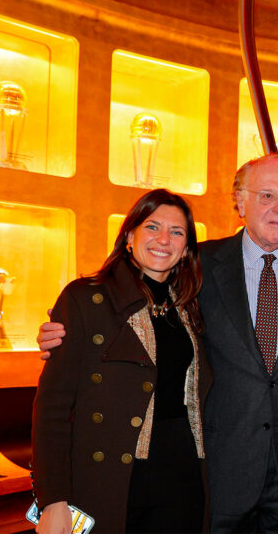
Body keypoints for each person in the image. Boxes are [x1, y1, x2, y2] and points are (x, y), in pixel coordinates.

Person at [38, 154, 278, 532]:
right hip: (219, 471)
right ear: (240, 202)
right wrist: (64, 330)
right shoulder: (200, 263)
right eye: (267, 195)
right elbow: (127, 298)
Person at [32, 189, 210, 534]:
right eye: (152, 227)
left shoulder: (191, 305)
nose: (163, 239)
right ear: (129, 236)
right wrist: (52, 499)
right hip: (113, 476)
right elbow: (53, 408)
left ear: (187, 248)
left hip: (183, 473)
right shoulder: (85, 299)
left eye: (176, 232)